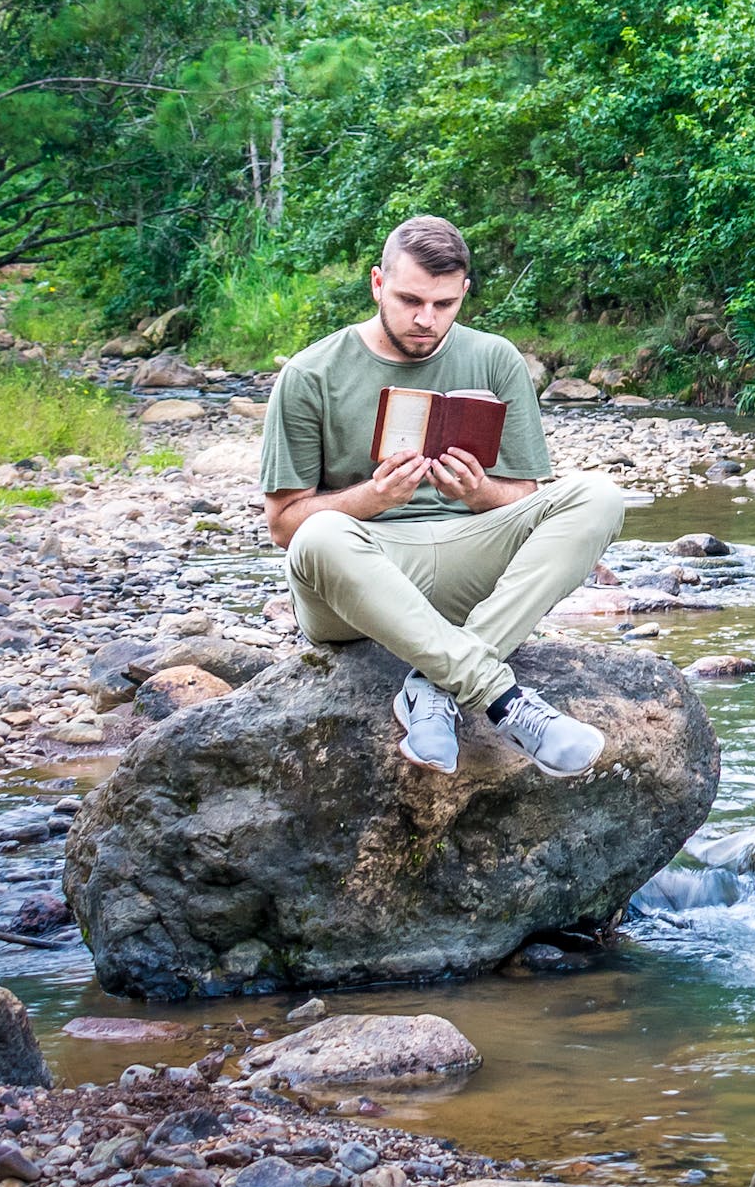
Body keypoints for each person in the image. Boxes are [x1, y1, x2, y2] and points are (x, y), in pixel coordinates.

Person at [260, 214, 623, 776]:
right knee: (323, 531)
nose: (426, 319)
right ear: (378, 283)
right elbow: (285, 527)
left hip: (466, 561)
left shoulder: (496, 357)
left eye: (444, 305)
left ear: (464, 295)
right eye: (410, 300)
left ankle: (434, 684)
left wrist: (480, 494)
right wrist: (371, 499)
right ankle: (503, 700)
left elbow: (526, 496)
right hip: (358, 578)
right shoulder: (311, 373)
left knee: (598, 495)